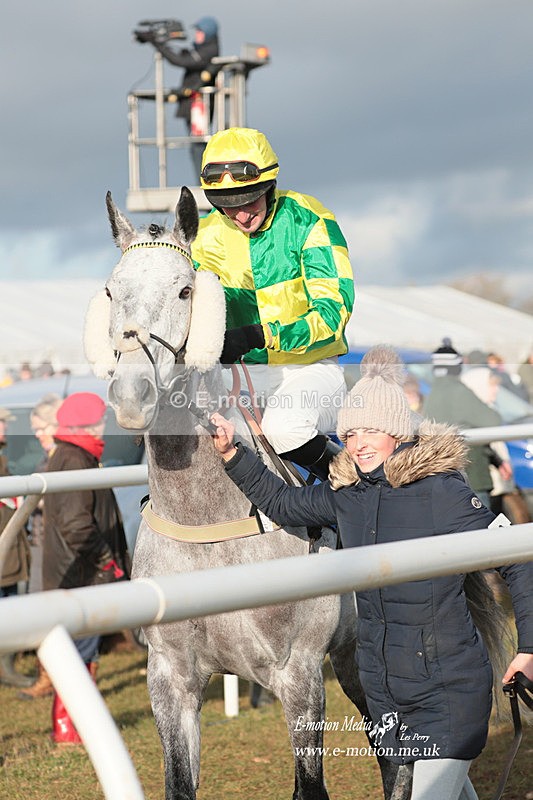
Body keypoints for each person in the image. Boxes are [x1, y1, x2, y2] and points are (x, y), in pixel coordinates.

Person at [211, 344, 533, 800]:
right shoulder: (349, 496)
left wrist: (530, 648)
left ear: (398, 433)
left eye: (372, 431)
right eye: (351, 432)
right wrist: (232, 454)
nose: (359, 443)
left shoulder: (445, 494)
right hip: (386, 692)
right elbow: (284, 504)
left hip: (447, 689)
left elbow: (519, 558)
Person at [192, 127, 354, 481]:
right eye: (227, 207)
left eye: (249, 202)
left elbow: (333, 315)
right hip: (240, 376)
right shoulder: (204, 238)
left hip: (310, 368)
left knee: (285, 428)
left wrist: (257, 335)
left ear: (268, 186)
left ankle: (356, 485)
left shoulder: (308, 218)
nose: (241, 216)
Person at [42, 392, 130, 744]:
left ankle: (73, 726)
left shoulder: (74, 455)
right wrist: (107, 562)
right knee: (80, 653)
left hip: (79, 573)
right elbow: (76, 525)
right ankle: (68, 728)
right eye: (97, 421)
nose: (102, 427)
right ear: (82, 423)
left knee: (83, 652)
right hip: (82, 576)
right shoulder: (75, 458)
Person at [18, 394, 63, 701]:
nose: (37, 434)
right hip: (40, 543)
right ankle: (47, 675)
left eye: (42, 427)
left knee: (51, 613)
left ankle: (54, 679)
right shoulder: (45, 460)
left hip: (54, 547)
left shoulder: (63, 460)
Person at [422, 338, 503, 510]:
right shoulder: (458, 391)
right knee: (481, 530)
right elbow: (493, 420)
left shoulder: (432, 394)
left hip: (445, 477)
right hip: (472, 475)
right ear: (456, 367)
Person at [138, 16, 220, 176]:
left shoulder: (208, 51)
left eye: (200, 31)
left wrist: (156, 43)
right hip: (194, 104)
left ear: (208, 33)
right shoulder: (201, 51)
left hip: (199, 105)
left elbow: (180, 61)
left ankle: (204, 181)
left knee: (199, 145)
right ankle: (203, 179)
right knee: (195, 144)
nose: (197, 34)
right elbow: (182, 58)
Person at [0, 407, 33, 689]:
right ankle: (5, 669)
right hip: (3, 543)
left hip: (8, 542)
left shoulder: (3, 457)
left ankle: (7, 666)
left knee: (9, 600)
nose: (4, 428)